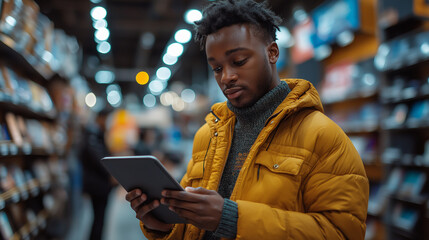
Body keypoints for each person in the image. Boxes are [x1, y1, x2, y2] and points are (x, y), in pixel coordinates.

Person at [125, 0, 369, 239]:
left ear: (272, 53)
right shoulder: (207, 136)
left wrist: (232, 219)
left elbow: (342, 232)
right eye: (217, 68)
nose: (227, 77)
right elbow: (192, 226)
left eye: (239, 62)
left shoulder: (323, 137)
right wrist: (162, 224)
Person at [80, 109, 114, 240]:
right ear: (101, 118)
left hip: (98, 184)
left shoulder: (94, 134)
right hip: (98, 185)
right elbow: (100, 159)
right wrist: (112, 174)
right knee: (99, 218)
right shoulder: (93, 135)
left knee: (99, 218)